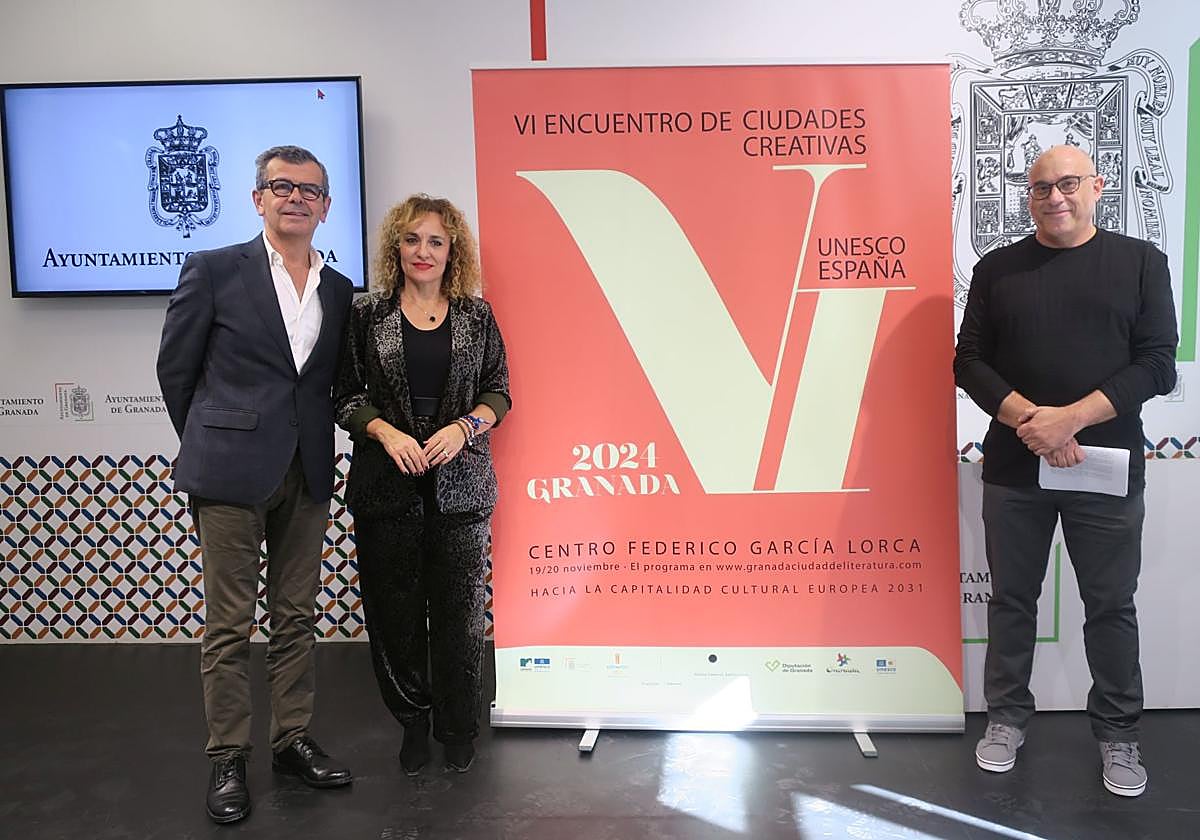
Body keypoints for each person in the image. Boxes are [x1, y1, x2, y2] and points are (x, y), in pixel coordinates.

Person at [954, 144, 1177, 797]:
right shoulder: (998, 270)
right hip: (1015, 471)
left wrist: (1070, 419)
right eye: (1042, 187)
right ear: (1029, 196)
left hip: (1105, 469)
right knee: (1012, 601)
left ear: (1097, 186)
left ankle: (1118, 735)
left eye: (1068, 183)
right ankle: (1006, 720)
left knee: (1110, 606)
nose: (1055, 197)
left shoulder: (1140, 263)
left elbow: (1158, 363)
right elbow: (968, 363)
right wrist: (1035, 423)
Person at [157, 145, 355, 824]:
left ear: (326, 206)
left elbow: (324, 382)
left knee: (297, 617)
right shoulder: (213, 269)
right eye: (282, 186)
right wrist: (218, 439)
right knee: (229, 624)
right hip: (230, 474)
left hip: (308, 470)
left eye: (309, 190)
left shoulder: (339, 288)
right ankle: (227, 757)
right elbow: (175, 373)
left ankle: (291, 738)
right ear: (257, 198)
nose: (295, 198)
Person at [335, 194, 510, 775]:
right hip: (387, 490)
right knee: (395, 616)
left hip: (461, 491)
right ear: (397, 247)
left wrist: (466, 427)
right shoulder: (366, 313)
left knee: (461, 619)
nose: (423, 251)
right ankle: (412, 722)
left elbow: (498, 390)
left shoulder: (477, 315)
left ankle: (458, 728)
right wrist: (386, 433)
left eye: (435, 240)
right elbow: (348, 397)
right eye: (412, 239)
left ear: (451, 249)